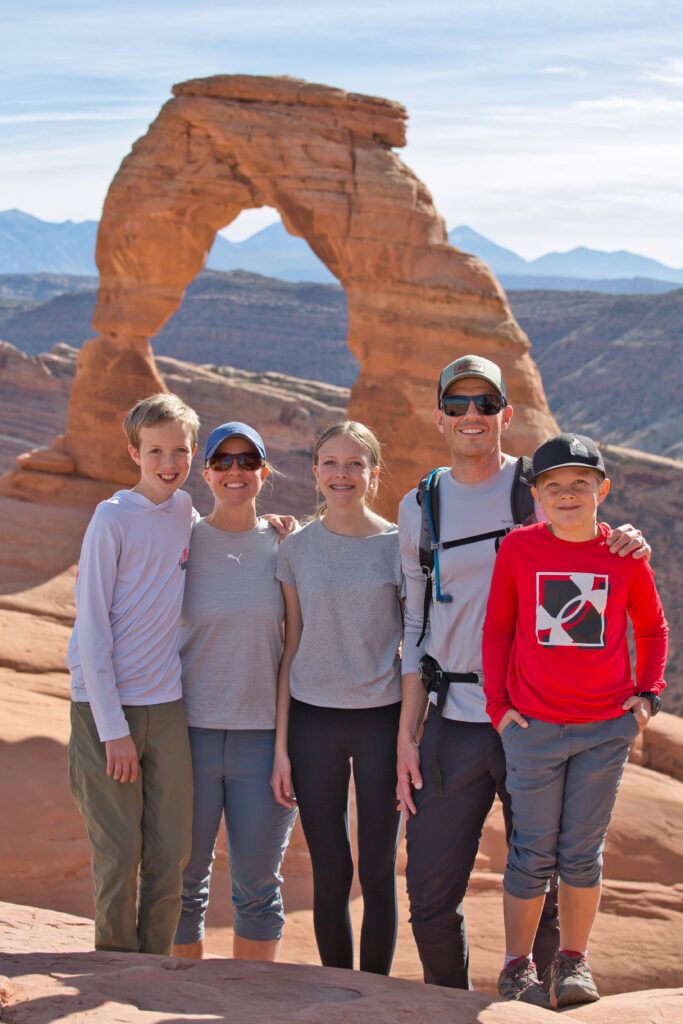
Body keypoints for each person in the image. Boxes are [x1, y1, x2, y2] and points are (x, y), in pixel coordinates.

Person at [396, 355, 651, 991]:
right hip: (455, 718)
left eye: (485, 403)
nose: (472, 416)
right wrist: (408, 730)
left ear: (506, 414)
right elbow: (412, 625)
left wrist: (626, 538)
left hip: (536, 713)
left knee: (547, 871)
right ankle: (451, 1004)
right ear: (440, 418)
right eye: (457, 406)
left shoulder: (534, 486)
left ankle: (539, 997)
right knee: (428, 891)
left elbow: (583, 536)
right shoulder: (421, 505)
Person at [483, 433, 667, 1009]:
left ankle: (573, 962)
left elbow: (652, 629)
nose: (567, 495)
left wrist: (648, 694)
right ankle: (518, 967)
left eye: (580, 485)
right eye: (553, 486)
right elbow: (498, 630)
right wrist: (499, 707)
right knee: (532, 852)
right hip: (532, 727)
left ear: (602, 490)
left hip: (602, 729)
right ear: (537, 494)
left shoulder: (621, 556)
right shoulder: (519, 550)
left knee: (581, 854)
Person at [67, 392, 200, 954]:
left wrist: (270, 523)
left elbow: (219, 535)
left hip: (166, 705)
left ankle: (154, 967)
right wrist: (113, 729)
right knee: (120, 854)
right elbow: (92, 630)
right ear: (133, 453)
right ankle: (114, 970)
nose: (168, 463)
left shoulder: (186, 510)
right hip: (107, 710)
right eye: (155, 452)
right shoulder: (112, 519)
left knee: (171, 852)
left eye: (180, 451)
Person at [271, 421, 403, 976]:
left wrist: (410, 736)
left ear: (372, 473)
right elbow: (291, 641)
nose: (342, 474)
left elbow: (415, 644)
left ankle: (373, 995)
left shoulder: (399, 546)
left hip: (382, 721)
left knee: (376, 870)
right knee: (330, 869)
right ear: (315, 471)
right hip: (311, 723)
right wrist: (281, 747)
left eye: (355, 463)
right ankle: (336, 991)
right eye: (331, 462)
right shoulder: (296, 548)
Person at [172, 422, 298, 962]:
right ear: (205, 473)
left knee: (259, 890)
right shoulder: (179, 541)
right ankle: (171, 1003)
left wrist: (285, 748)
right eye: (222, 461)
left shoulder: (286, 546)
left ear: (263, 473)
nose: (234, 471)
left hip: (262, 739)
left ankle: (250, 1011)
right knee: (181, 883)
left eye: (247, 461)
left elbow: (294, 652)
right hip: (186, 737)